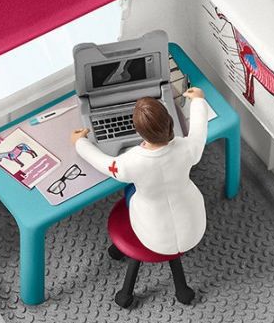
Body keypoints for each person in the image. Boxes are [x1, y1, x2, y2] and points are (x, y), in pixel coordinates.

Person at [71, 88, 208, 303]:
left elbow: (103, 163)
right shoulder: (188, 148)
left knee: (130, 191)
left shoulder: (130, 162)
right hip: (194, 228)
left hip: (154, 237)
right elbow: (199, 130)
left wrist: (80, 142)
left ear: (139, 132)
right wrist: (198, 101)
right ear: (169, 121)